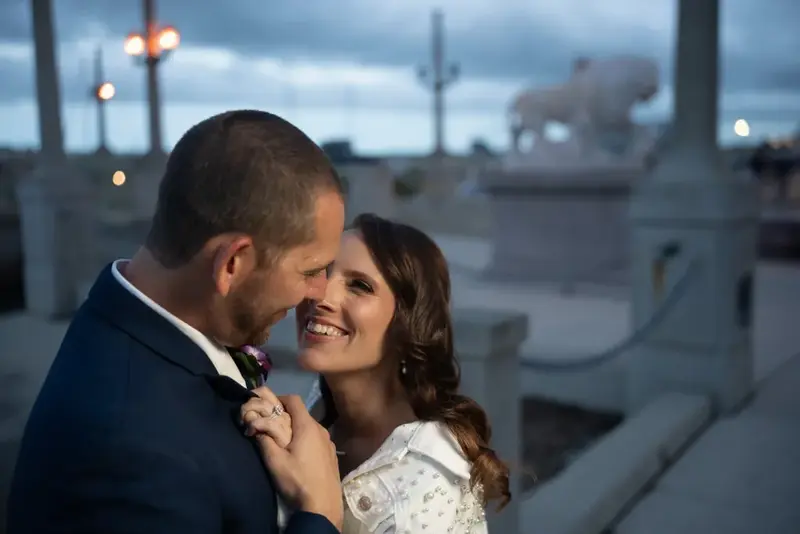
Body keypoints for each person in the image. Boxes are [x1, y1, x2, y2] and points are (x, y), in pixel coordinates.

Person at [7, 110, 346, 534]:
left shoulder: (145, 324)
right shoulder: (127, 457)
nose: (320, 291)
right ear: (233, 264)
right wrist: (318, 514)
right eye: (310, 270)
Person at [241, 214, 511, 534]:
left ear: (407, 324)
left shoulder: (422, 492)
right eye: (319, 273)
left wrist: (314, 506)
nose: (320, 296)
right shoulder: (326, 402)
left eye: (359, 285)